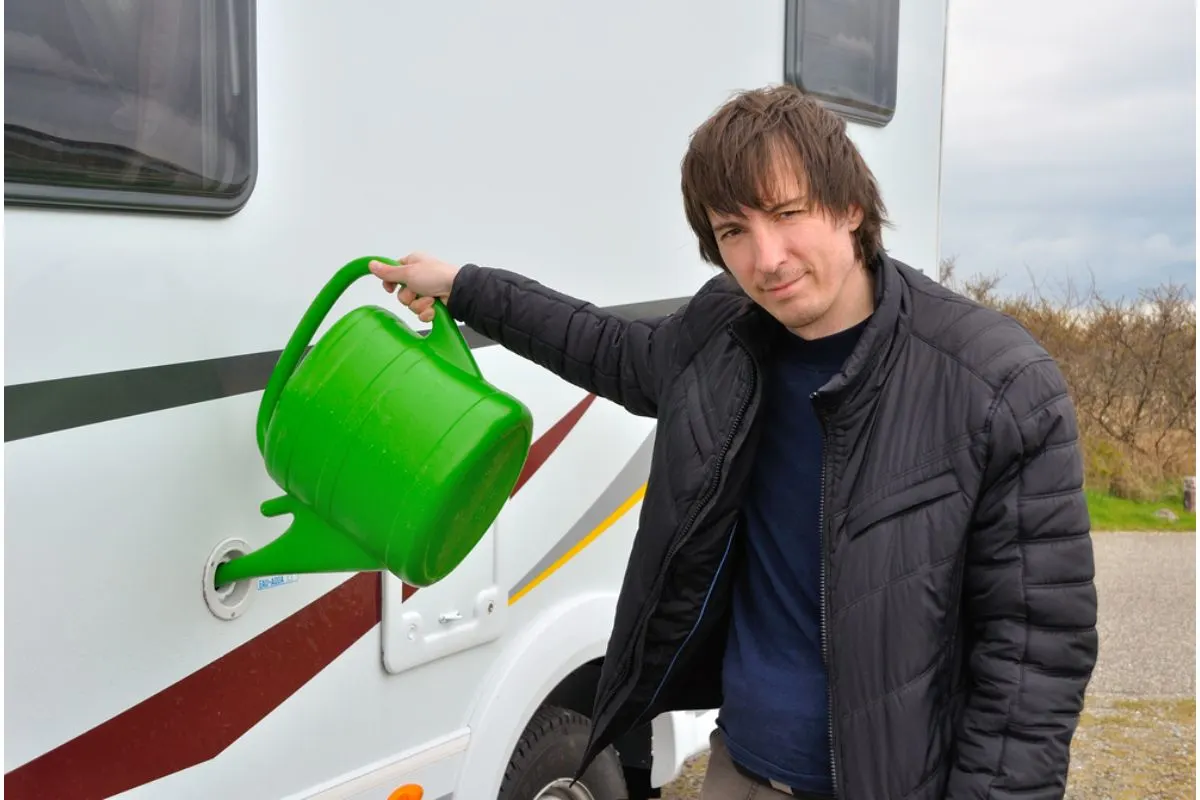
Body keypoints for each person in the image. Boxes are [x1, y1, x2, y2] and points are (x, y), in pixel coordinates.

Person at [369, 85, 1098, 800]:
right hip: (738, 769)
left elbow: (1034, 658)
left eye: (788, 214)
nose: (766, 258)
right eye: (733, 232)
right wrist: (462, 285)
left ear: (850, 207)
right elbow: (602, 344)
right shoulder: (725, 335)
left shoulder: (995, 383)